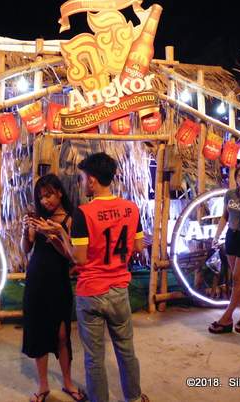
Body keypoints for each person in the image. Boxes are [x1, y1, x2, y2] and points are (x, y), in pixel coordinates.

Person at [70, 153, 148, 402]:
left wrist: (60, 237)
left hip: (90, 291)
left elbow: (79, 259)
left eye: (82, 179)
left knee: (94, 357)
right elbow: (138, 247)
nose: (82, 183)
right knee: (126, 350)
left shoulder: (83, 213)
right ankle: (134, 398)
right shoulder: (130, 208)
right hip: (118, 290)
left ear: (92, 180)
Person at [20, 174, 86, 402]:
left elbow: (72, 257)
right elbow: (26, 250)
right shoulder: (38, 218)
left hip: (59, 280)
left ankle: (68, 383)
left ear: (59, 192)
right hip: (36, 279)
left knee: (61, 333)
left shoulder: (70, 218)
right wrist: (26, 232)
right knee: (38, 331)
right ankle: (43, 386)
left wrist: (56, 233)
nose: (46, 201)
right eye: (41, 197)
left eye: (49, 195)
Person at [208, 164, 240, 334]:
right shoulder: (229, 194)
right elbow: (225, 216)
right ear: (236, 179)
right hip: (231, 237)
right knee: (238, 281)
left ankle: (227, 317)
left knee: (237, 278)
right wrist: (217, 236)